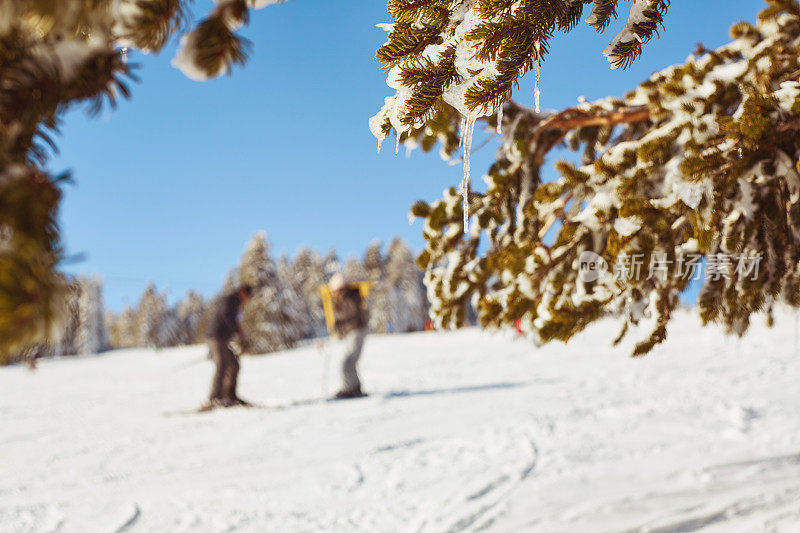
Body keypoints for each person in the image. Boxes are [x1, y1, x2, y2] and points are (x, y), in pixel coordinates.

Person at [202, 285, 253, 410]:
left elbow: (230, 319)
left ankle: (229, 396)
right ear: (243, 293)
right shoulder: (230, 300)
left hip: (221, 339)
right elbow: (227, 316)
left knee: (233, 364)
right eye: (248, 296)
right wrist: (238, 332)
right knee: (222, 364)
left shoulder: (234, 302)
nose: (248, 300)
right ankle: (214, 398)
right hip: (216, 337)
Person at [329, 273, 368, 399]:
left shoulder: (348, 298)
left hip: (356, 331)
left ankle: (350, 389)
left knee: (347, 362)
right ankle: (354, 387)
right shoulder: (348, 297)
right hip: (354, 331)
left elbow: (353, 317)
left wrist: (340, 324)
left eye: (334, 291)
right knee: (350, 361)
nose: (333, 294)